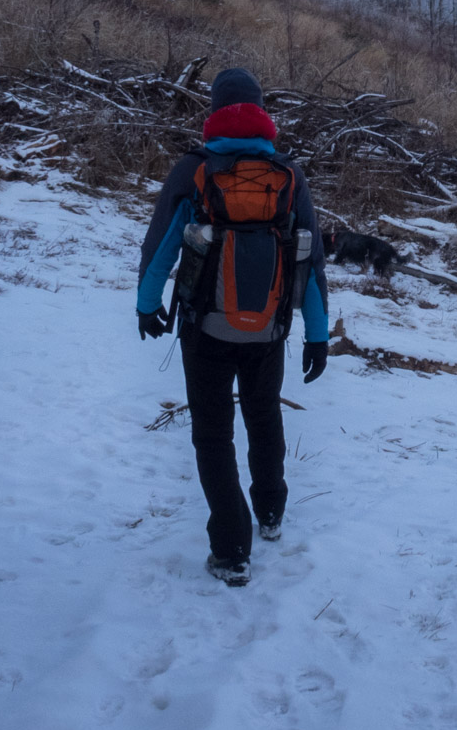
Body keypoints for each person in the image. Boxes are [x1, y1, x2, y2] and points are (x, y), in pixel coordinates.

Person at [137, 68, 329, 586]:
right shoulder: (288, 175)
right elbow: (309, 261)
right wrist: (317, 334)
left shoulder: (194, 169)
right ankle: (270, 513)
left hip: (205, 329)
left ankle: (230, 550)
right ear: (262, 112)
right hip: (269, 330)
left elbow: (160, 244)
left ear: (215, 109)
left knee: (212, 433)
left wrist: (146, 303)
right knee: (264, 416)